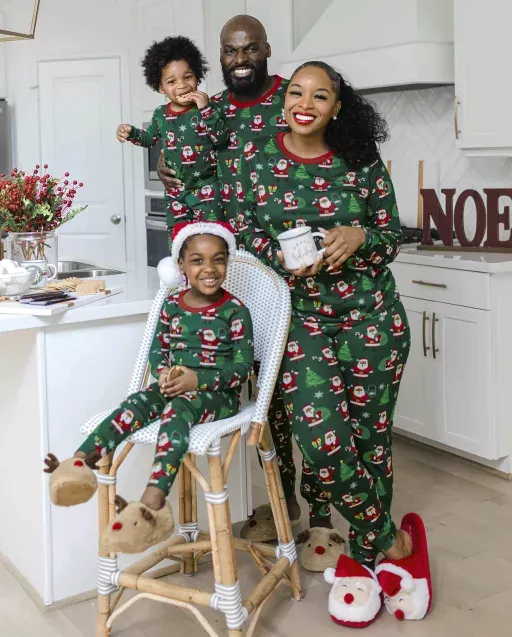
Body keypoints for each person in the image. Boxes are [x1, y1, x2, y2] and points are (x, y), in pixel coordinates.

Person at [236, 60, 417, 580]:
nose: (305, 104)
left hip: (372, 319)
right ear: (284, 100)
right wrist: (283, 257)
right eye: (297, 92)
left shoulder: (362, 159)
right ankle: (391, 539)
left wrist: (361, 237)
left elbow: (388, 239)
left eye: (320, 96)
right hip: (300, 320)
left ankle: (365, 556)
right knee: (322, 443)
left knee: (371, 442)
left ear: (337, 108)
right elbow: (245, 240)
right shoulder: (258, 159)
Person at [157, 15, 306, 543]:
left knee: (307, 400)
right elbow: (184, 157)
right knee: (267, 397)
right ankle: (282, 507)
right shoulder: (210, 110)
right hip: (240, 270)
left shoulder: (296, 98)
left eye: (249, 50)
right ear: (220, 57)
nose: (240, 60)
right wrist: (164, 164)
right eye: (229, 52)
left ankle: (328, 519)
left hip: (297, 266)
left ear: (266, 49)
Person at [43, 221, 254, 554]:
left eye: (218, 259)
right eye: (197, 260)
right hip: (174, 385)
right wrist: (165, 372)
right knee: (135, 403)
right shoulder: (172, 306)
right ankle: (80, 464)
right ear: (181, 266)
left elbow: (241, 369)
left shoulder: (235, 312)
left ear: (227, 261)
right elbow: (158, 351)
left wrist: (197, 380)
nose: (209, 268)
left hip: (218, 395)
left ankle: (152, 504)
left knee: (178, 410)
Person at [117, 36, 228, 249]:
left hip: (207, 189)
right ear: (160, 88)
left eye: (188, 77)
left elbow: (221, 137)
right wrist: (131, 133)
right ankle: (178, 281)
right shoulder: (160, 115)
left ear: (197, 76)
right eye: (172, 82)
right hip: (175, 192)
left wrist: (206, 109)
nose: (182, 86)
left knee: (213, 240)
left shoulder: (208, 108)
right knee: (178, 242)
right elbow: (150, 139)